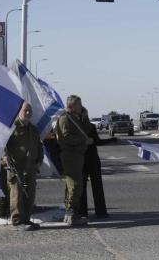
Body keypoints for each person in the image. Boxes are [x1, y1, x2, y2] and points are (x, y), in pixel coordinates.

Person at [3, 101, 44, 230]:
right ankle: (17, 221)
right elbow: (2, 145)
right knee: (17, 195)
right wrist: (5, 157)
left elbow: (39, 146)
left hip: (30, 167)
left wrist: (39, 160)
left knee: (29, 194)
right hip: (16, 166)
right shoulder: (12, 128)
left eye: (29, 111)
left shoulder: (33, 129)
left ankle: (26, 219)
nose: (27, 113)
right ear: (19, 111)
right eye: (25, 110)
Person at [55, 94, 92, 226]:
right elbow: (66, 138)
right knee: (75, 185)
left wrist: (85, 116)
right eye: (79, 105)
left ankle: (70, 213)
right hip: (70, 155)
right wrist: (83, 141)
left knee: (74, 185)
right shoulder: (65, 119)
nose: (81, 107)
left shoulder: (77, 118)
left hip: (77, 154)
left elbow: (87, 130)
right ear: (72, 106)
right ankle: (71, 213)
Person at [80, 107, 109, 219]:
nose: (84, 117)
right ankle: (82, 212)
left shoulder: (91, 126)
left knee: (98, 186)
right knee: (81, 188)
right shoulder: (76, 127)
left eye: (85, 114)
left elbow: (97, 141)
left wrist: (112, 140)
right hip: (81, 160)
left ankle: (101, 211)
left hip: (93, 160)